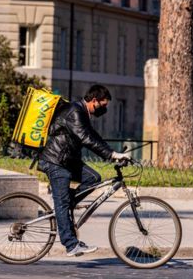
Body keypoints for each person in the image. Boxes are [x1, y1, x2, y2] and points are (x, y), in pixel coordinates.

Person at [38, 84, 131, 257]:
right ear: (94, 101)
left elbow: (94, 136)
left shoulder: (82, 113)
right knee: (63, 203)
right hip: (56, 161)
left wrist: (114, 153)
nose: (104, 109)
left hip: (67, 160)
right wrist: (110, 155)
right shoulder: (75, 111)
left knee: (93, 178)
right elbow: (86, 138)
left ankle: (65, 203)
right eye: (103, 105)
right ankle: (71, 244)